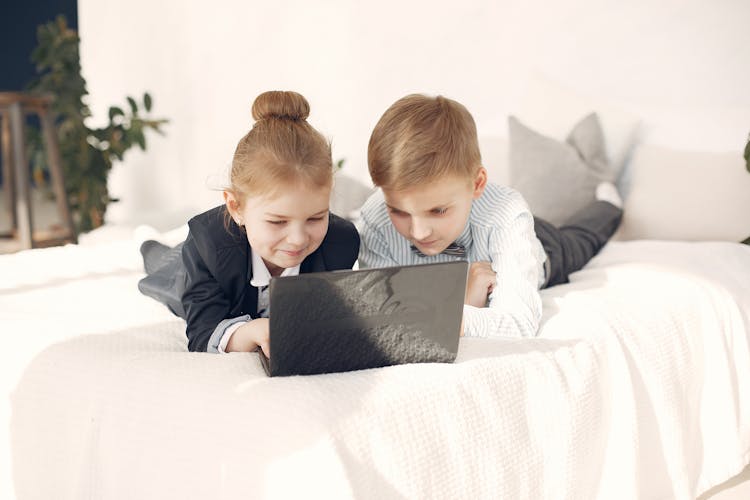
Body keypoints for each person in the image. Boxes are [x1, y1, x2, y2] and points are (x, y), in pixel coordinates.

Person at [358, 94, 622, 338]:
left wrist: (451, 318)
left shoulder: (506, 214)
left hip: (542, 246)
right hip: (486, 233)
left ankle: (608, 204)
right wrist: (466, 301)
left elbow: (518, 322)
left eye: (438, 210)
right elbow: (380, 311)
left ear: (477, 184)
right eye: (399, 211)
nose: (419, 232)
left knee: (581, 239)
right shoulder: (376, 216)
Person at [138, 90, 360, 354]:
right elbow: (201, 333)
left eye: (315, 217)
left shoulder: (342, 242)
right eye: (278, 222)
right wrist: (249, 332)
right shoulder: (207, 245)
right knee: (162, 269)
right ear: (236, 207)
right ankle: (147, 243)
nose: (299, 238)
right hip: (198, 265)